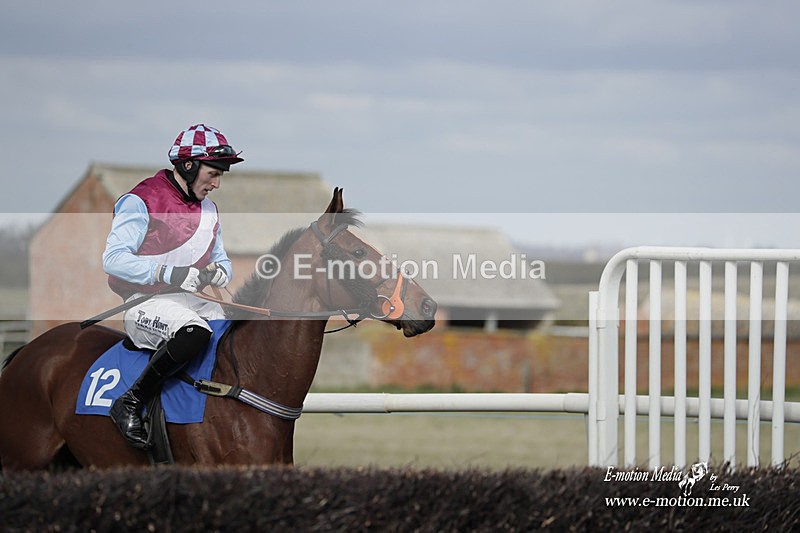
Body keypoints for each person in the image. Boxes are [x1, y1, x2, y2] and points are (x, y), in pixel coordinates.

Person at [102, 124, 243, 450]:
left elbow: (222, 259)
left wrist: (220, 272)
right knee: (195, 332)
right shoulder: (141, 200)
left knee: (235, 331)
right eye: (213, 173)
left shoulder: (209, 210)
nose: (217, 184)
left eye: (221, 175)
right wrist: (170, 273)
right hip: (142, 303)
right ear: (189, 165)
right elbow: (113, 260)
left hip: (192, 300)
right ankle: (131, 402)